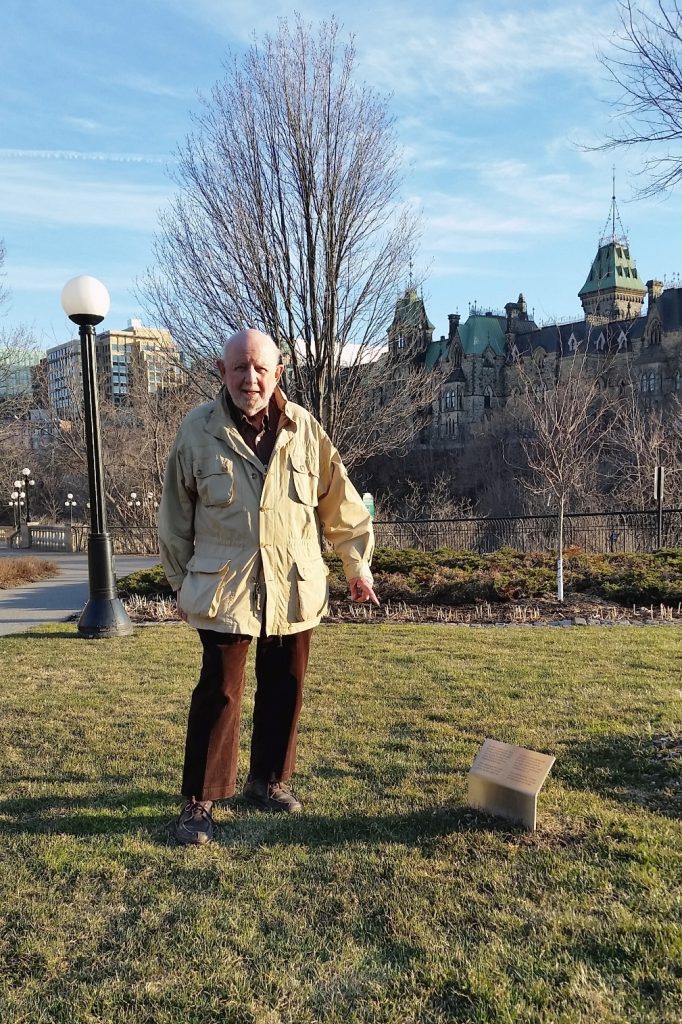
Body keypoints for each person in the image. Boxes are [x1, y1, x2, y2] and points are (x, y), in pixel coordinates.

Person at [158, 328, 378, 845]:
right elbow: (174, 518)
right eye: (239, 368)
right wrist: (180, 582)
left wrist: (356, 564)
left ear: (278, 372)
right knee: (219, 693)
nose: (250, 378)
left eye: (260, 368)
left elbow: (339, 502)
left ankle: (269, 781)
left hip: (294, 584)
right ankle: (200, 800)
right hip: (224, 587)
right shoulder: (196, 431)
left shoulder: (304, 428)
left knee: (287, 685)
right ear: (222, 371)